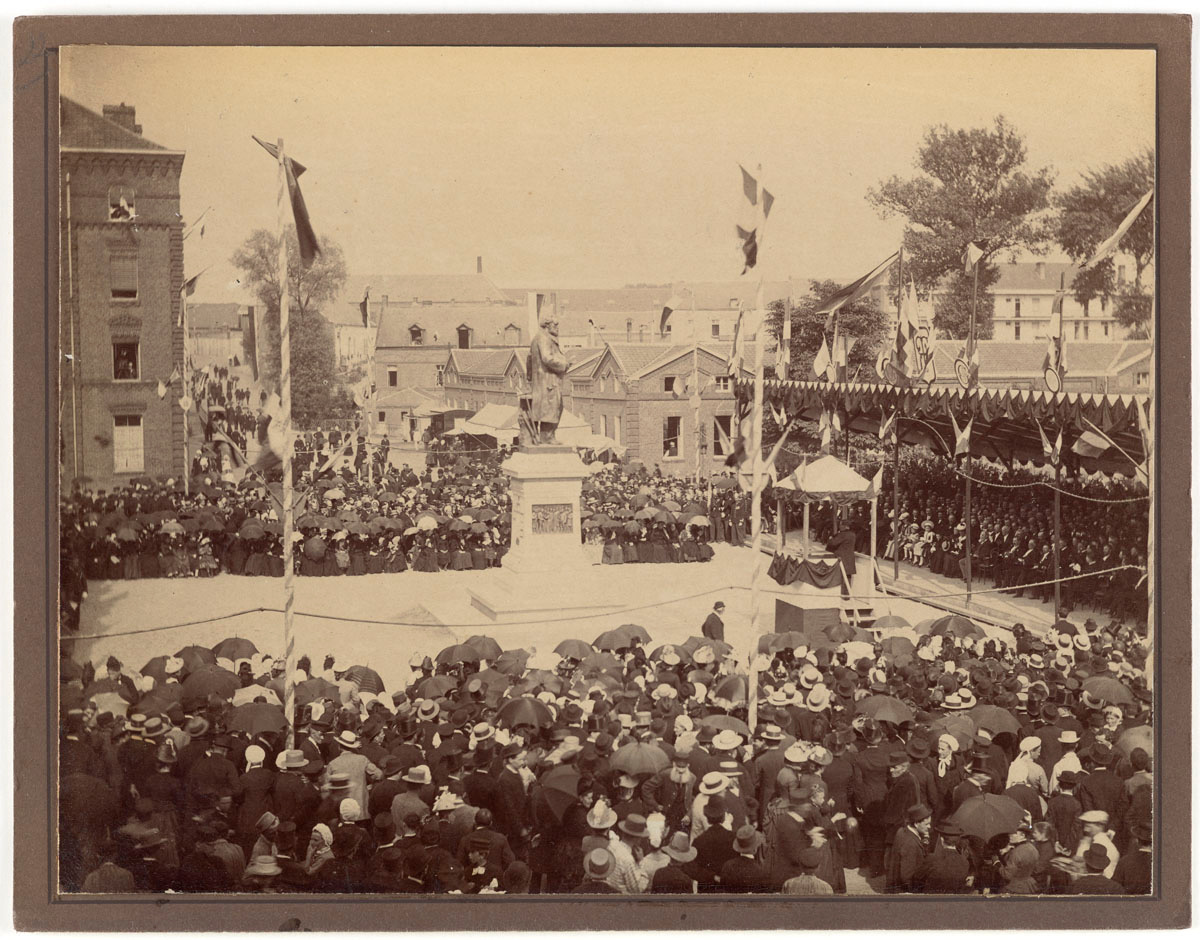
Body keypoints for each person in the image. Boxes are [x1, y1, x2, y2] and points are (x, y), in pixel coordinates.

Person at [526, 313, 570, 445]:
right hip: (547, 381)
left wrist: (529, 378)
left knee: (552, 407)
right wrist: (564, 364)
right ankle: (547, 436)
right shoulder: (543, 338)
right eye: (555, 325)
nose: (557, 328)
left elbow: (529, 359)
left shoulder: (539, 338)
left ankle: (548, 435)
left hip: (543, 381)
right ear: (547, 325)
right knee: (552, 407)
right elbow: (547, 358)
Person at [883, 803, 930, 894]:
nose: (929, 827)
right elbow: (906, 876)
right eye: (926, 824)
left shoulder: (902, 831)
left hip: (893, 886)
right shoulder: (910, 844)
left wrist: (924, 839)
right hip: (904, 891)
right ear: (916, 824)